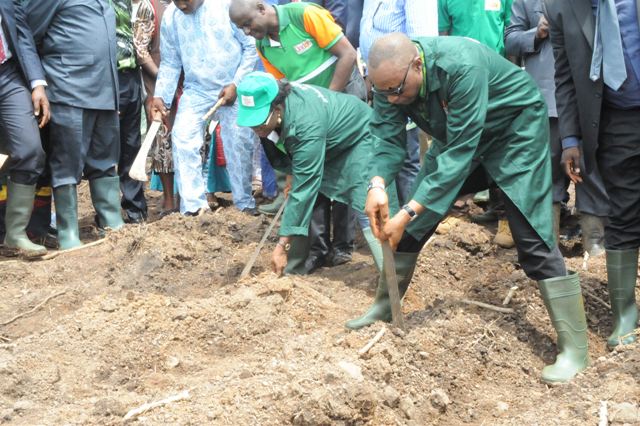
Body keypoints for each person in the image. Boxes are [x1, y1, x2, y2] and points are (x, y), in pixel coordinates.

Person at [351, 33, 589, 384]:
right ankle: (385, 306)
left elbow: (462, 152)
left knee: (532, 238)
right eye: (384, 92)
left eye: (398, 91)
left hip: (514, 133)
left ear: (418, 64)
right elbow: (385, 138)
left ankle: (574, 348)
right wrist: (376, 185)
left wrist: (408, 211)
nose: (393, 99)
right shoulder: (391, 80)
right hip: (459, 137)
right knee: (413, 229)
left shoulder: (460, 65)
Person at [230, 0, 366, 273]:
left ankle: (342, 245)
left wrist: (327, 103)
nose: (246, 31)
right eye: (241, 28)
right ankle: (317, 248)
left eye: (247, 24)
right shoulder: (263, 45)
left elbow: (347, 54)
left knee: (339, 170)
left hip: (341, 95)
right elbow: (282, 90)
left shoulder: (305, 15)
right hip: (305, 112)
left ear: (261, 8)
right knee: (308, 175)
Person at [544, 0, 640, 348]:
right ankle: (625, 313)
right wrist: (570, 138)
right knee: (625, 213)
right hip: (616, 120)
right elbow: (566, 76)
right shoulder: (559, 7)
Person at [235, 71, 384, 275]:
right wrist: (291, 176)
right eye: (250, 123)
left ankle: (391, 276)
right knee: (301, 198)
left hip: (359, 135)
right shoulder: (273, 116)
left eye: (259, 122)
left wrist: (281, 246)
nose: (255, 128)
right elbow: (289, 154)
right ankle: (292, 272)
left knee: (364, 200)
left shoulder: (305, 124)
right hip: (328, 140)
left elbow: (304, 187)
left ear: (277, 109)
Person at [505, 0, 609, 257]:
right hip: (545, 98)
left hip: (588, 95)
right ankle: (547, 239)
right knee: (547, 170)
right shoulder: (526, 2)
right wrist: (537, 33)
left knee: (590, 168)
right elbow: (510, 40)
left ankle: (593, 240)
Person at [25, 0, 125, 250]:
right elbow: (28, 34)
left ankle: (111, 221)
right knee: (66, 163)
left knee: (105, 159)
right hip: (68, 88)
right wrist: (38, 81)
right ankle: (68, 231)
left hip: (105, 90)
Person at [152, 0, 259, 216]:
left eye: (185, 0)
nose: (181, 5)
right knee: (182, 138)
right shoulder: (172, 17)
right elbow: (171, 62)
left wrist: (237, 84)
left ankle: (244, 204)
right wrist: (161, 96)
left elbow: (250, 47)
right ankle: (193, 207)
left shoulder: (228, 6)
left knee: (239, 143)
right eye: (176, 0)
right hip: (196, 90)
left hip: (233, 87)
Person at [438, 0, 515, 247]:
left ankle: (505, 215)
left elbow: (509, 33)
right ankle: (459, 209)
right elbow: (443, 38)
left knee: (502, 146)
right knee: (463, 142)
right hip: (462, 84)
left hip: (497, 80)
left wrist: (511, 76)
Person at [359, 0, 438, 205]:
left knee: (409, 159)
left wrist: (404, 88)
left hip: (406, 84)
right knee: (388, 146)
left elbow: (422, 40)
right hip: (384, 83)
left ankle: (413, 222)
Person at [0, 1, 49, 257]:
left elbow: (22, 34)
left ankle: (16, 234)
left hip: (7, 74)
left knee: (30, 148)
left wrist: (37, 84)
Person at [134, 0, 179, 216]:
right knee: (163, 142)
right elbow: (140, 50)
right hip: (158, 84)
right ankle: (169, 200)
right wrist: (164, 79)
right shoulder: (149, 6)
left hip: (187, 83)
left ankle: (186, 196)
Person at [112, 0, 148, 224]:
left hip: (130, 74)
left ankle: (135, 208)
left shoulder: (126, 3)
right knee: (108, 148)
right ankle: (108, 212)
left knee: (131, 144)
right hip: (107, 76)